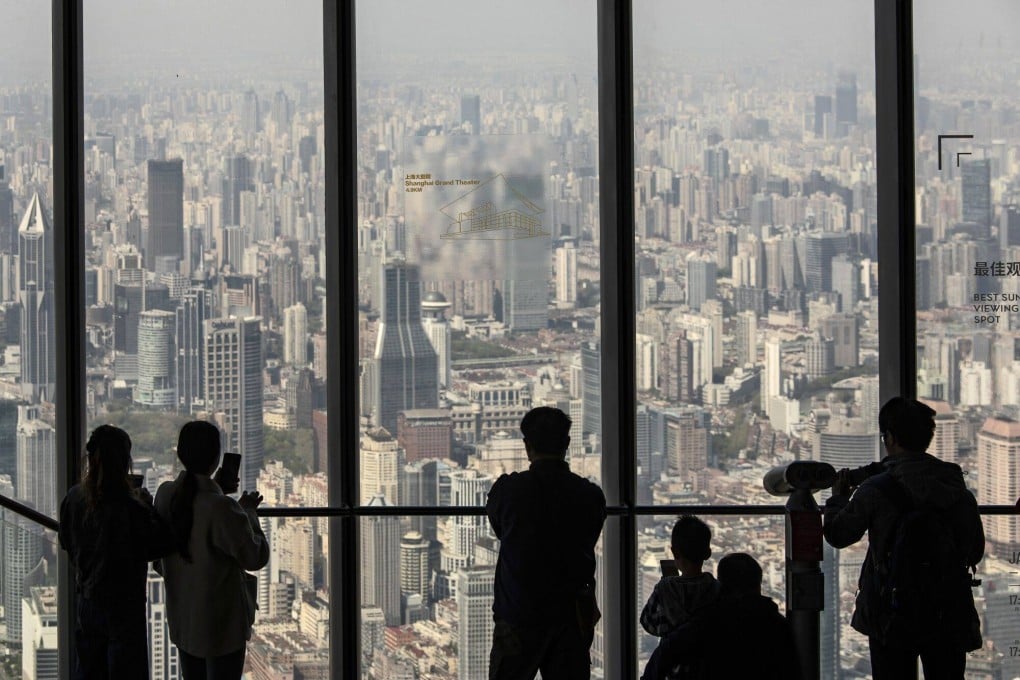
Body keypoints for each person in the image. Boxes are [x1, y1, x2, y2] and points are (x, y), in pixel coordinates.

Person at [823, 397, 985, 680]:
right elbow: (974, 551)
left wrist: (838, 499)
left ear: (890, 438)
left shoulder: (876, 489)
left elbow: (838, 535)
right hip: (946, 608)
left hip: (891, 611)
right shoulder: (956, 487)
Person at [486, 406, 607, 680]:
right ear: (566, 444)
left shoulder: (508, 492)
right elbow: (591, 534)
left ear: (527, 446)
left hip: (518, 612)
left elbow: (499, 528)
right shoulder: (589, 496)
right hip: (570, 614)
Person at [59, 425, 176, 679]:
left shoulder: (74, 497)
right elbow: (161, 544)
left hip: (88, 600)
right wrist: (149, 508)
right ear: (125, 463)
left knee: (89, 670)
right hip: (125, 607)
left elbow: (66, 540)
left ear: (90, 460)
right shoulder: (131, 508)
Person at [154, 421, 269, 680]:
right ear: (217, 458)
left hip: (184, 621)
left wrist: (217, 489)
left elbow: (193, 510)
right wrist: (248, 513)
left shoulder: (164, 495)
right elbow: (255, 556)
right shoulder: (222, 509)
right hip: (222, 627)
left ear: (180, 454)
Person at [641, 553, 797, 680]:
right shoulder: (778, 626)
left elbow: (664, 655)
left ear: (722, 587)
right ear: (758, 585)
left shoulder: (706, 623)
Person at [639, 515, 719, 678]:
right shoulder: (716, 588)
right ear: (708, 553)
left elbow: (648, 623)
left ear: (674, 552)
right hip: (707, 665)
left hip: (672, 665)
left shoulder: (665, 588)